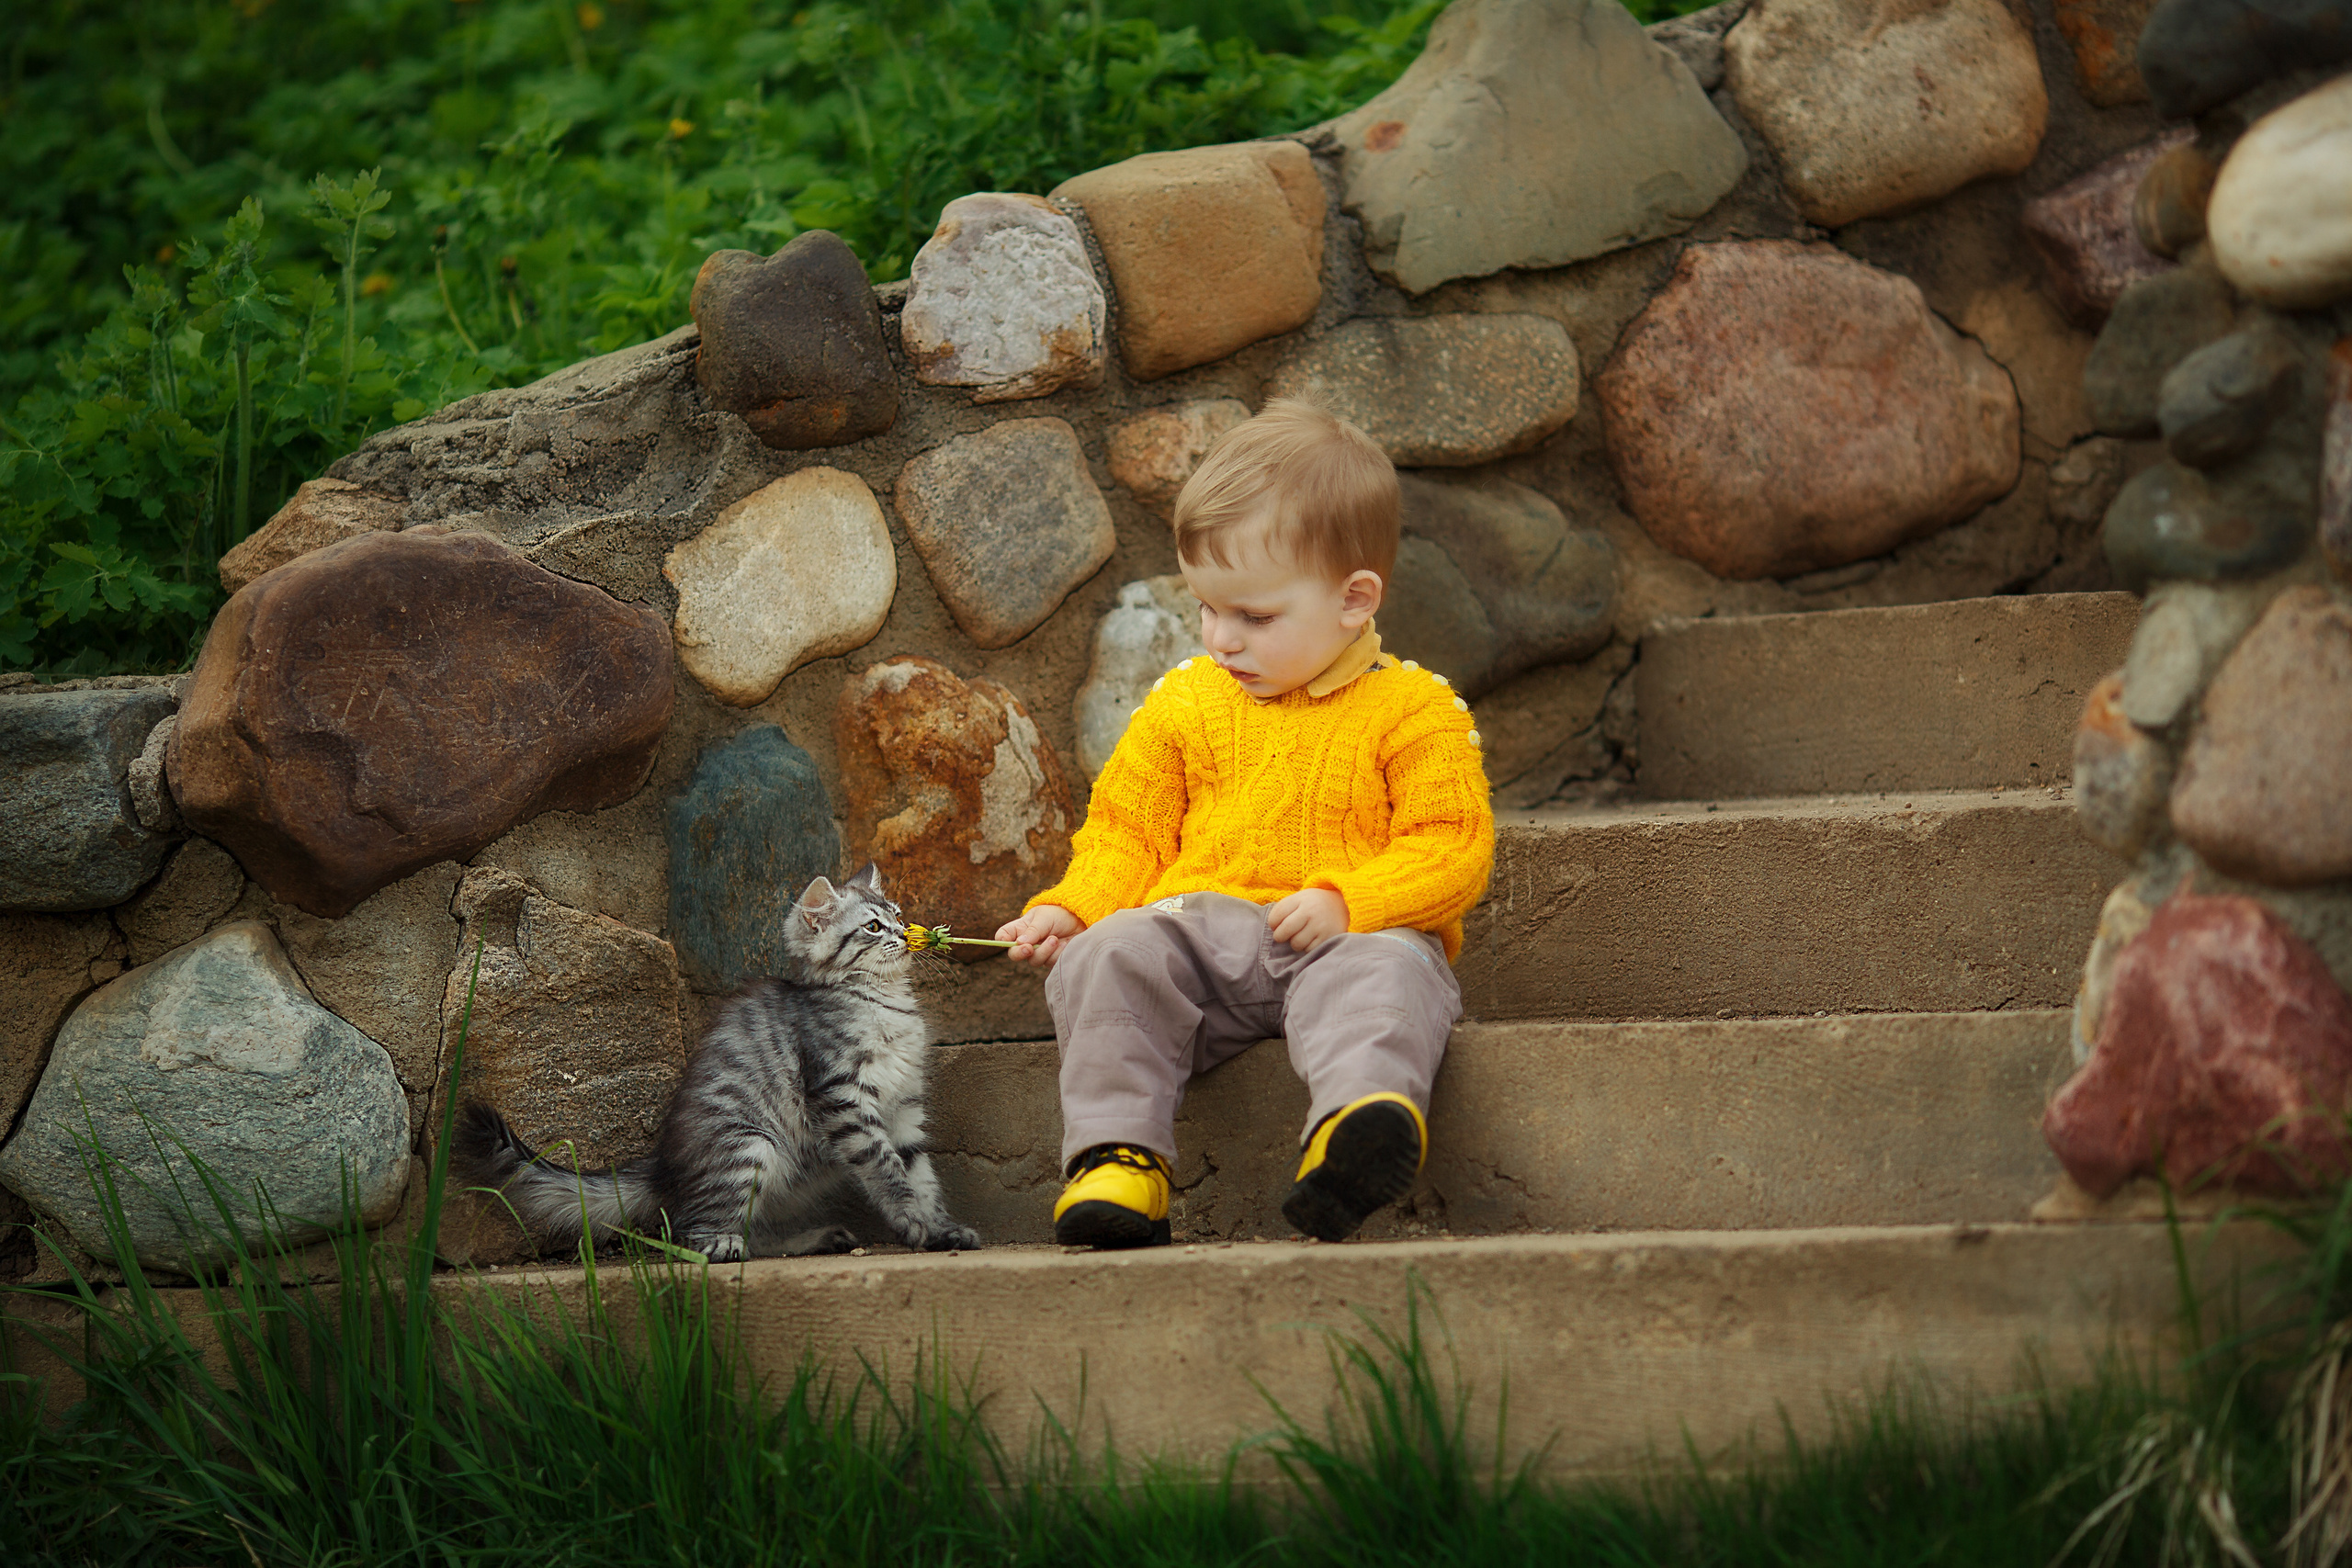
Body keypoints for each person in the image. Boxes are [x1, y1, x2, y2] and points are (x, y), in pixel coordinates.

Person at [994, 399, 1496, 1248]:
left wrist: (1351, 901)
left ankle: (1354, 1129)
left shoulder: (1414, 711)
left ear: (1354, 598)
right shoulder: (1186, 702)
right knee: (1109, 953)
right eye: (1207, 608)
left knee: (1387, 974)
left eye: (1254, 616)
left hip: (1345, 935)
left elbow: (1451, 845)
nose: (1221, 638)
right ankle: (1119, 1161)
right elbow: (1128, 833)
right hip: (1206, 934)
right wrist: (1075, 906)